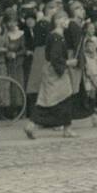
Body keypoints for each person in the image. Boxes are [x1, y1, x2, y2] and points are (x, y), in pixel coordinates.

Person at [24, 10, 76, 138]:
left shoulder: (53, 35)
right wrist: (69, 62)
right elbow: (55, 57)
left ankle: (32, 124)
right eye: (65, 19)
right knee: (64, 98)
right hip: (56, 73)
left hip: (50, 72)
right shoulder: (57, 37)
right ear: (58, 21)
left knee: (46, 100)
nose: (67, 22)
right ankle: (67, 129)